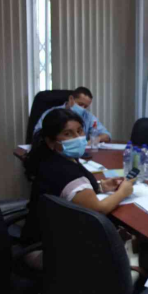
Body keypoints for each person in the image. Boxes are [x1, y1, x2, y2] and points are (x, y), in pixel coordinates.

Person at [22, 108, 135, 269]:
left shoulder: (55, 159)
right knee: (130, 246)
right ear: (51, 141)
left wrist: (102, 186)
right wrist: (123, 192)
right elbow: (99, 209)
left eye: (80, 131)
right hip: (47, 253)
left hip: (44, 239)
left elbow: (69, 191)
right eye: (68, 134)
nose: (78, 138)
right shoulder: (65, 172)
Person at [33, 86, 112, 143]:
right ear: (71, 99)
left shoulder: (88, 116)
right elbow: (37, 135)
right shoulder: (51, 113)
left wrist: (95, 140)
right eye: (80, 104)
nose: (82, 108)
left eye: (86, 106)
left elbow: (107, 135)